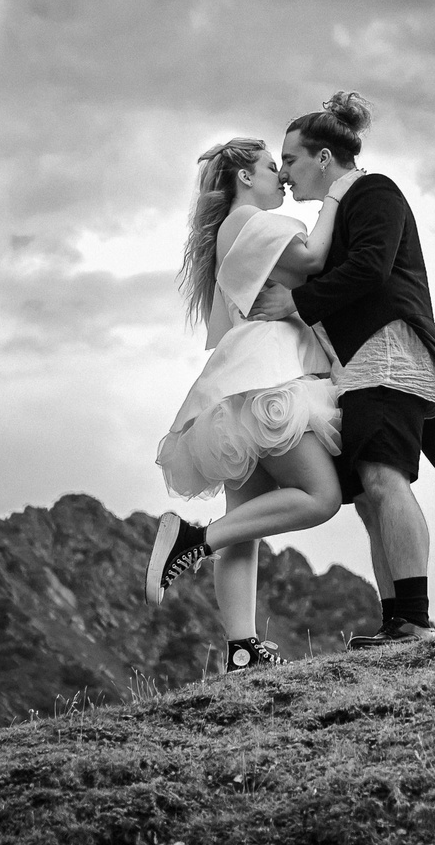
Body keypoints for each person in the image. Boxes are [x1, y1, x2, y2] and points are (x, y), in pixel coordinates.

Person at [246, 91, 435, 647]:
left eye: (290, 159)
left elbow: (372, 270)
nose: (284, 174)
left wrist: (297, 305)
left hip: (391, 356)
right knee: (367, 494)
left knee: (385, 480)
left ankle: (415, 619)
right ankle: (397, 621)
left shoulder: (375, 190)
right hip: (358, 368)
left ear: (324, 159)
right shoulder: (344, 207)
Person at [143, 136, 345, 672]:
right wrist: (336, 197)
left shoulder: (233, 232)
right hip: (272, 374)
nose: (281, 176)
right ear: (244, 178)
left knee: (245, 522)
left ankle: (240, 647)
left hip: (238, 385)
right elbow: (314, 257)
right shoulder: (251, 221)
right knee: (320, 496)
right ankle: (193, 537)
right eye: (270, 167)